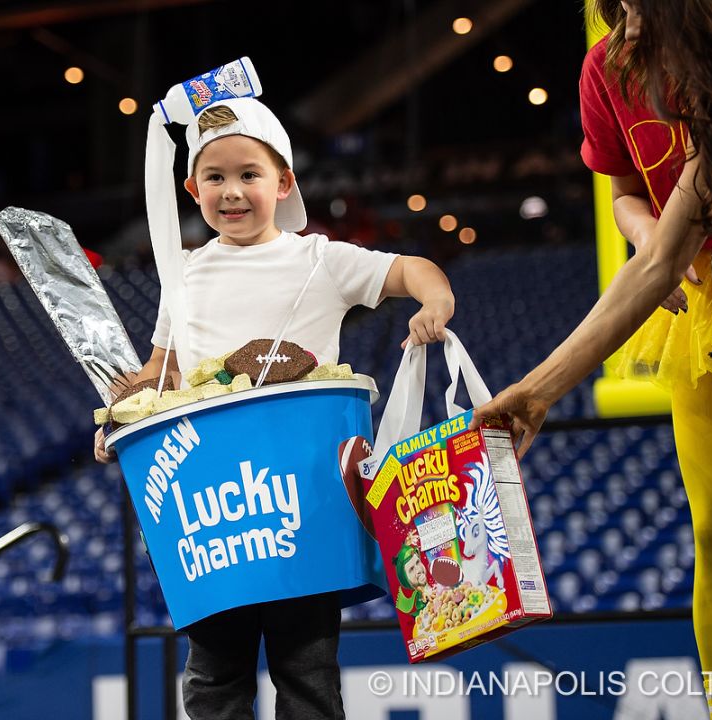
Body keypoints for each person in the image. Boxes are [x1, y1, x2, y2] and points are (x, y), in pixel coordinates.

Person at [96, 96, 457, 719]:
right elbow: (164, 372)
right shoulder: (184, 275)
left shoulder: (320, 259)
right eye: (215, 178)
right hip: (214, 510)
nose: (231, 192)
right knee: (213, 676)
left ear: (283, 182)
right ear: (192, 188)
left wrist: (435, 302)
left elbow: (415, 269)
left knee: (307, 671)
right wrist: (119, 415)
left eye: (249, 175)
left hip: (303, 504)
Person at [473, 1, 712, 718]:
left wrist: (538, 390)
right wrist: (646, 238)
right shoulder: (614, 66)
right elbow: (658, 247)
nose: (627, 27)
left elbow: (664, 258)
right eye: (620, 7)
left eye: (643, 8)